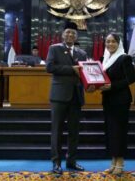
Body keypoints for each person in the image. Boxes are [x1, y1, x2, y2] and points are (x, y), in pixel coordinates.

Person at [46, 21, 87, 174]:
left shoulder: (82, 53)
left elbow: (84, 73)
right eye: (67, 32)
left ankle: (71, 161)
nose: (70, 35)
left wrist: (90, 82)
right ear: (63, 34)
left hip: (76, 96)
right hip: (59, 96)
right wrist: (71, 69)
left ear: (76, 36)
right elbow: (49, 67)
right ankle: (56, 163)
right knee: (57, 131)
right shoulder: (54, 49)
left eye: (73, 33)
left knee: (74, 131)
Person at [99, 33, 135, 174]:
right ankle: (113, 161)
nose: (110, 44)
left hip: (121, 100)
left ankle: (120, 161)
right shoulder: (104, 59)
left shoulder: (124, 58)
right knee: (111, 131)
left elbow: (132, 78)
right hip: (107, 100)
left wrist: (112, 86)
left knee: (119, 131)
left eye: (113, 41)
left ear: (118, 43)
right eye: (107, 42)